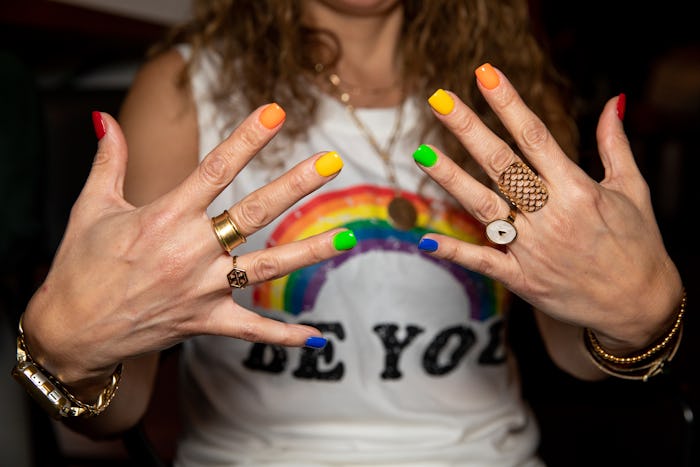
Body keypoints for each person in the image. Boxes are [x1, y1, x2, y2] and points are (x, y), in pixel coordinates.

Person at [13, 1, 685, 466]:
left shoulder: (500, 90)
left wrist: (637, 320)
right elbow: (120, 403)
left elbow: (574, 348)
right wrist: (74, 355)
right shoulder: (187, 85)